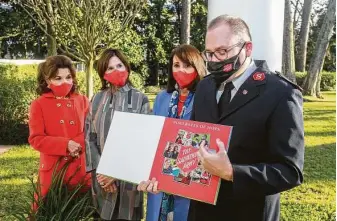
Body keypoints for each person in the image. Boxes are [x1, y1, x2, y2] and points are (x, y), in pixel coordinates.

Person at [188, 15, 305, 221]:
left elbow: (290, 171)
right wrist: (162, 176)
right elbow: (192, 140)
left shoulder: (280, 93)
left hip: (248, 212)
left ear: (247, 49)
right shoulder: (205, 86)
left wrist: (232, 172)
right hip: (202, 211)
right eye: (209, 53)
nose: (214, 60)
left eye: (222, 51)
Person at [138, 44, 206, 221]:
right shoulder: (162, 97)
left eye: (186, 65)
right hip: (159, 178)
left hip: (189, 174)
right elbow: (153, 134)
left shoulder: (205, 98)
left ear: (197, 67)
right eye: (176, 65)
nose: (180, 70)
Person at [85, 48, 150, 221]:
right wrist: (103, 172)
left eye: (119, 65)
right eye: (110, 68)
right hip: (102, 181)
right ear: (103, 74)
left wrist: (116, 172)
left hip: (128, 180)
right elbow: (89, 137)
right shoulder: (97, 99)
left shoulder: (140, 99)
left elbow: (144, 142)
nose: (116, 71)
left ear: (127, 67)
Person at [28, 55, 91, 204]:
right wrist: (65, 145)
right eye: (58, 78)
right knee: (50, 211)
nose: (65, 82)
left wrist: (76, 143)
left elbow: (91, 130)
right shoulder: (38, 104)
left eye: (68, 77)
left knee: (82, 210)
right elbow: (36, 139)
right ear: (47, 80)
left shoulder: (82, 100)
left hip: (79, 166)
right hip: (54, 169)